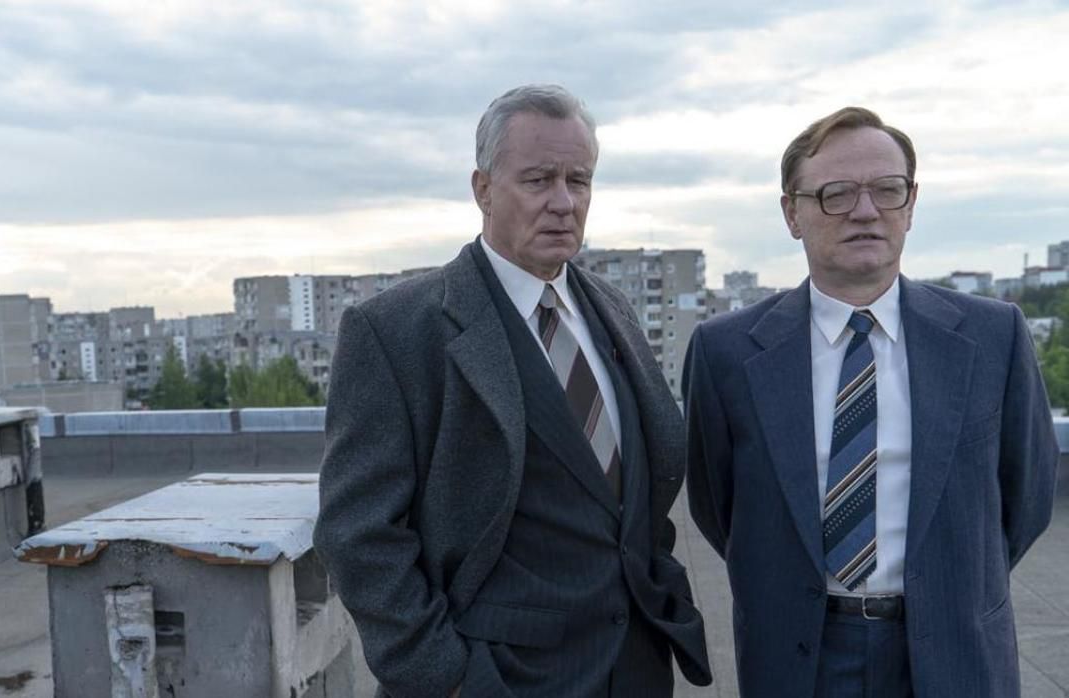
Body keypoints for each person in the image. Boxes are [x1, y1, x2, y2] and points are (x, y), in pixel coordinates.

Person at [314, 84, 712, 697]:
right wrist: (446, 679)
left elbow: (637, 497)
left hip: (635, 669)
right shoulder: (395, 330)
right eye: (537, 180)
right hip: (495, 679)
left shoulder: (613, 309)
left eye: (578, 181)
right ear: (482, 189)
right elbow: (358, 535)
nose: (563, 203)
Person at [682, 106, 1058, 697]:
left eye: (887, 189)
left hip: (956, 651)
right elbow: (717, 505)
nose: (865, 211)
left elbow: (1027, 497)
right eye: (836, 194)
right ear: (792, 213)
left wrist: (948, 587)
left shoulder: (993, 337)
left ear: (911, 204)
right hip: (799, 657)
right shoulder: (726, 351)